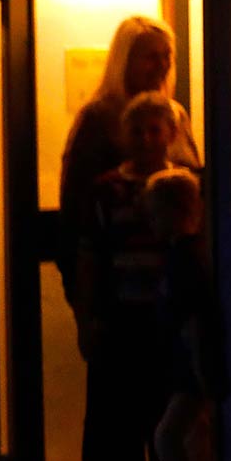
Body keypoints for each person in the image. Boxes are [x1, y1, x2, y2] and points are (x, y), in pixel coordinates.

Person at [74, 92, 194, 461]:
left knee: (163, 421)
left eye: (155, 129)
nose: (146, 139)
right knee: (114, 426)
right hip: (122, 319)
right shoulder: (107, 189)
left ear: (171, 134)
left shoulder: (186, 184)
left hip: (168, 322)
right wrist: (88, 318)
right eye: (138, 130)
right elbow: (90, 256)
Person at [58, 17, 202, 296]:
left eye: (166, 56)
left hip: (176, 278)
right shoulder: (97, 119)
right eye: (151, 57)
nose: (162, 65)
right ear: (124, 61)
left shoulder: (176, 115)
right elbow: (76, 205)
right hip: (118, 279)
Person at [143, 167, 223, 461]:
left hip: (191, 371)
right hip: (193, 368)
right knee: (189, 439)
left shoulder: (182, 261)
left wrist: (201, 372)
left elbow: (192, 323)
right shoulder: (193, 255)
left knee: (168, 437)